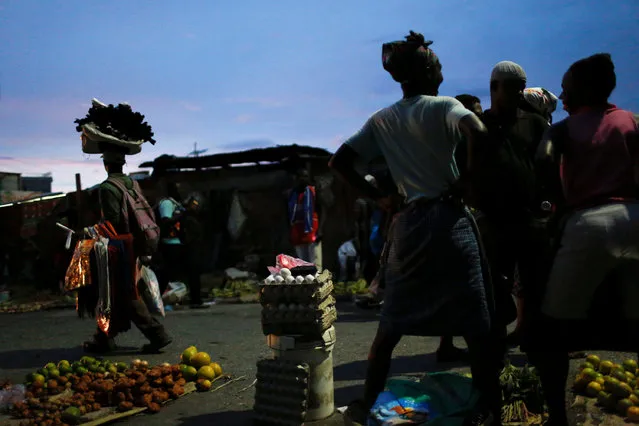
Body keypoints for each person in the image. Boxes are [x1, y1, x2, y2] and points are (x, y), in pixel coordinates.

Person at [330, 31, 503, 425]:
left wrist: (381, 198)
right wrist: (466, 181)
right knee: (476, 324)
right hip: (449, 220)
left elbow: (339, 162)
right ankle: (488, 408)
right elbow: (478, 132)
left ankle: (368, 400)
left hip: (408, 225)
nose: (442, 69)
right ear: (428, 71)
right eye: (438, 63)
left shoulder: (382, 119)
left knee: (391, 326)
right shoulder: (445, 106)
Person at [529, 53, 639, 426]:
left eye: (567, 87)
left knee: (551, 333)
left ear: (584, 89)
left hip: (588, 222)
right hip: (635, 220)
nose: (562, 93)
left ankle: (558, 418)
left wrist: (558, 205)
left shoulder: (561, 128)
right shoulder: (632, 120)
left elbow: (544, 161)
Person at [472, 61, 551, 348]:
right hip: (493, 222)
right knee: (494, 288)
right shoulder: (479, 126)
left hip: (530, 221)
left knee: (533, 287)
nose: (518, 93)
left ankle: (533, 344)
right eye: (512, 88)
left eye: (521, 88)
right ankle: (494, 350)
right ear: (494, 88)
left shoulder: (535, 124)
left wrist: (546, 203)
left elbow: (549, 167)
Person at [83, 150, 171, 354]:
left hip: (119, 246)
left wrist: (91, 231)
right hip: (135, 243)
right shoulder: (131, 183)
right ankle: (103, 338)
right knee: (112, 292)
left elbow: (112, 222)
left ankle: (157, 334)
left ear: (106, 164)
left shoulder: (107, 187)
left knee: (123, 291)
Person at [287, 168, 324, 265]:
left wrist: (320, 230)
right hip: (297, 230)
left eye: (306, 176)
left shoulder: (313, 192)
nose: (304, 179)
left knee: (314, 260)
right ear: (297, 178)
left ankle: (316, 279)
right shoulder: (292, 194)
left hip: (312, 229)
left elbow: (322, 211)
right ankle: (306, 279)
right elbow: (287, 215)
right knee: (301, 261)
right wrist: (289, 232)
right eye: (301, 177)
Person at [156, 182, 185, 294]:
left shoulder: (176, 204)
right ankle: (163, 295)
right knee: (167, 271)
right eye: (178, 189)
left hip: (176, 242)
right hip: (169, 243)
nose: (180, 192)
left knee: (174, 271)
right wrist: (179, 216)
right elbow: (166, 221)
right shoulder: (167, 203)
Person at [181, 194, 208, 309]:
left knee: (195, 275)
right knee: (193, 275)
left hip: (194, 248)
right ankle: (195, 300)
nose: (196, 207)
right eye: (194, 204)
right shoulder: (187, 217)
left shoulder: (195, 218)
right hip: (191, 248)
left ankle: (196, 299)